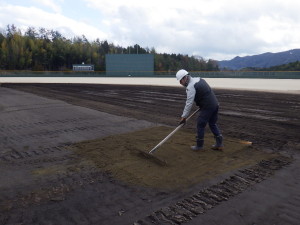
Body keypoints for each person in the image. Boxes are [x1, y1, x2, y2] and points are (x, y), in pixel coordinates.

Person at [176, 69, 223, 151]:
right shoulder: (199, 79)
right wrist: (202, 103)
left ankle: (199, 146)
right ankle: (219, 144)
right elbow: (207, 92)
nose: (180, 84)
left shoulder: (191, 87)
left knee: (200, 124)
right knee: (212, 123)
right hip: (215, 104)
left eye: (180, 81)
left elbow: (189, 103)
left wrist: (184, 117)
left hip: (208, 106)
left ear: (185, 78)